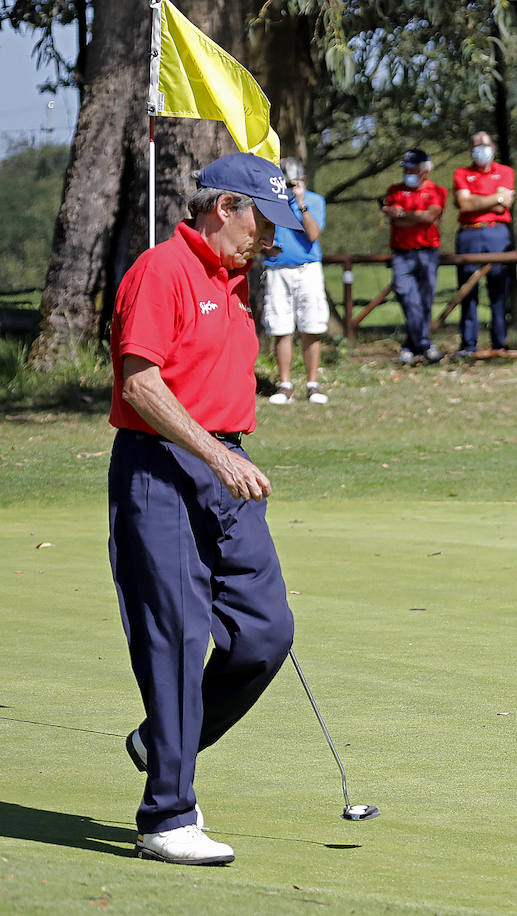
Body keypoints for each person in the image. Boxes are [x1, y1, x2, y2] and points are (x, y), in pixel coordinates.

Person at [108, 152, 302, 865]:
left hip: (227, 470)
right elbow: (140, 384)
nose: (268, 241)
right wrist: (216, 456)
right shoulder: (162, 271)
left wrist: (228, 455)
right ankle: (167, 815)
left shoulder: (236, 278)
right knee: (177, 639)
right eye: (262, 223)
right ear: (225, 206)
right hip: (161, 468)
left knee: (266, 631)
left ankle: (159, 741)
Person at [263, 157, 330, 404]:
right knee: (281, 328)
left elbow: (313, 234)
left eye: (293, 182)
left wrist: (301, 203)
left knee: (311, 326)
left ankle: (312, 384)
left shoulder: (315, 201)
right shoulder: (271, 201)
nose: (289, 187)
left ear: (302, 180)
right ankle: (285, 384)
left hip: (308, 269)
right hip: (278, 269)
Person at [382, 148, 447, 365]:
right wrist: (415, 217)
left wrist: (402, 214)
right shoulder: (395, 190)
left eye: (412, 168)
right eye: (406, 168)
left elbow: (430, 216)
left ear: (424, 171)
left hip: (428, 252)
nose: (407, 172)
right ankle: (425, 343)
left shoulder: (437, 191)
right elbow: (399, 220)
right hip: (402, 253)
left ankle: (411, 346)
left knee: (425, 301)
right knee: (408, 297)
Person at [453, 131, 515, 356]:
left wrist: (476, 200)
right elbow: (464, 205)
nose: (481, 148)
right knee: (468, 290)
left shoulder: (506, 172)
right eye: (477, 144)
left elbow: (504, 205)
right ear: (471, 149)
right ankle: (468, 345)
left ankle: (500, 343)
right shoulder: (461, 173)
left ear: (494, 148)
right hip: (469, 235)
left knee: (499, 290)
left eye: (486, 144)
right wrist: (495, 199)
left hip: (498, 234)